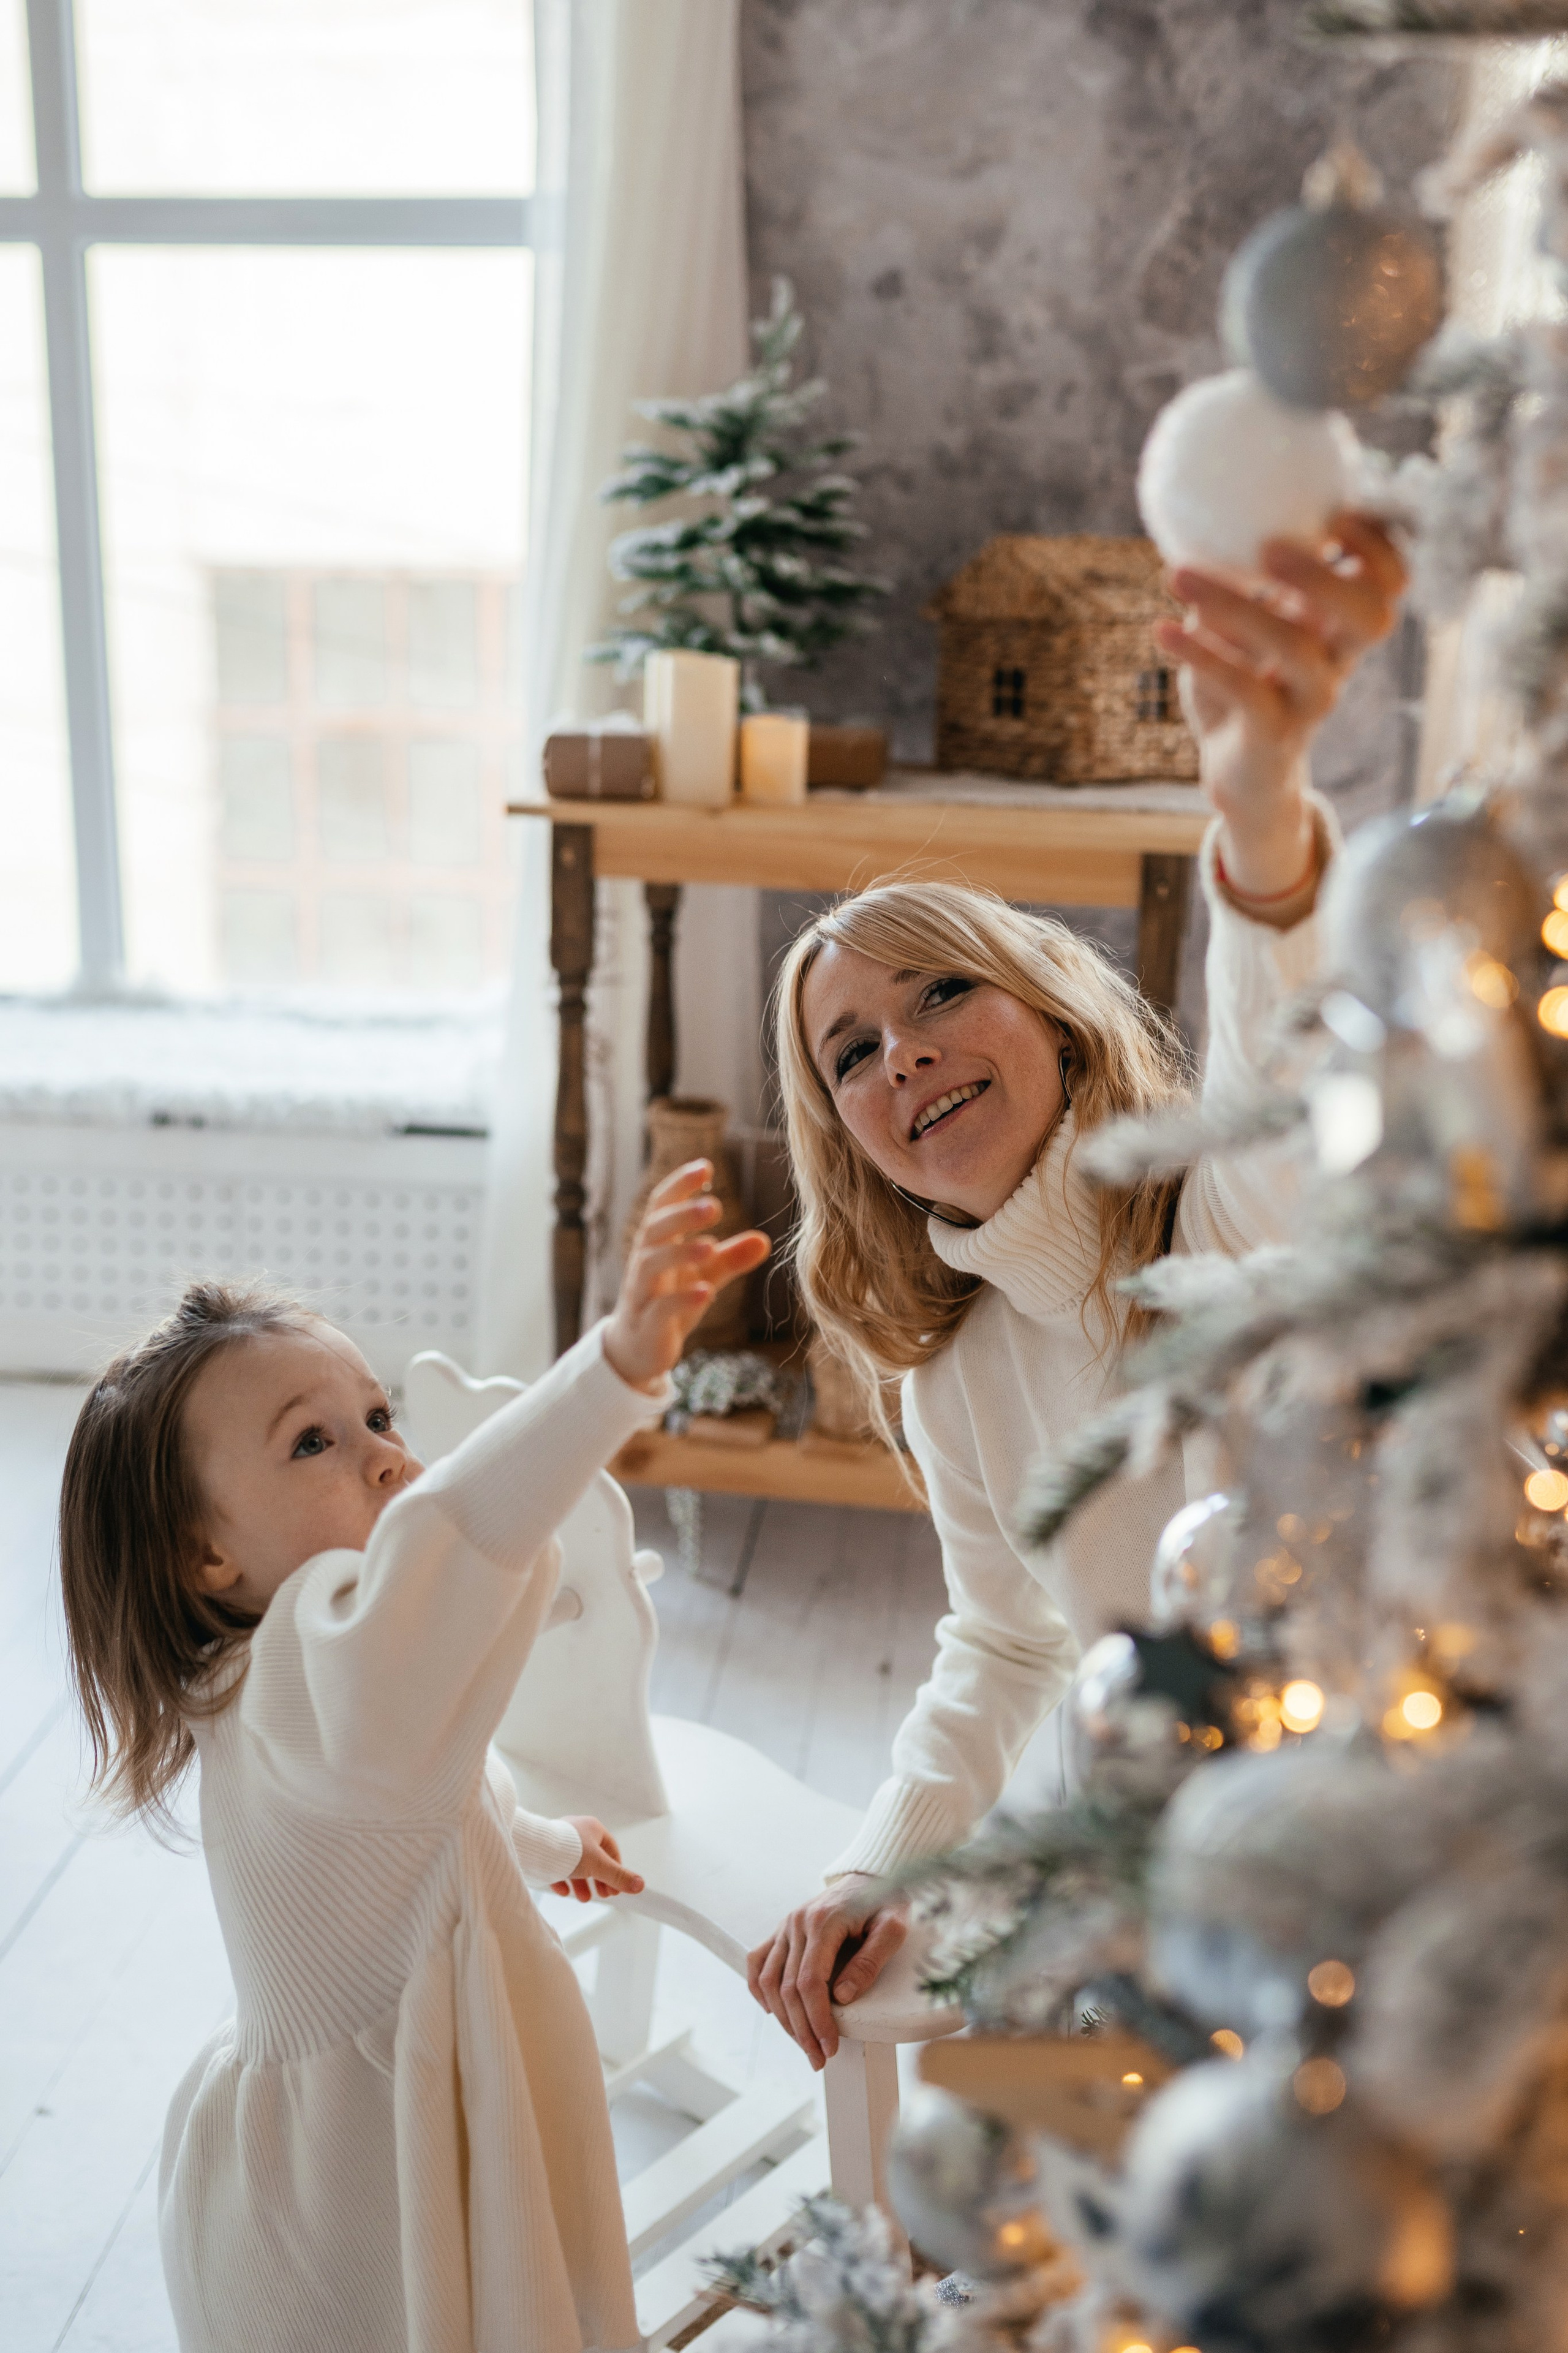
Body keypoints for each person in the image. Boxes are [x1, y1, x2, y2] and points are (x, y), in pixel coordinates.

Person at [747, 516, 1408, 2071]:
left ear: (1053, 1020)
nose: (899, 1052)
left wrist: (1253, 808)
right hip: (1171, 1851)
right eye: (850, 1053)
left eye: (938, 995)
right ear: (850, 1139)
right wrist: (869, 1865)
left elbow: (1281, 1030)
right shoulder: (950, 1379)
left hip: (1395, 1815)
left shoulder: (1221, 1201)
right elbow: (999, 1644)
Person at [59, 1162, 767, 2353]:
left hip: (415, 2106)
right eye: (313, 1444)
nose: (388, 1457)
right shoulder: (305, 1671)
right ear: (204, 1556)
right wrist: (614, 1369)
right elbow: (464, 1529)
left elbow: (434, 1807)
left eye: (381, 1418)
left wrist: (544, 1845)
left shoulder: (315, 1683)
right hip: (359, 2196)